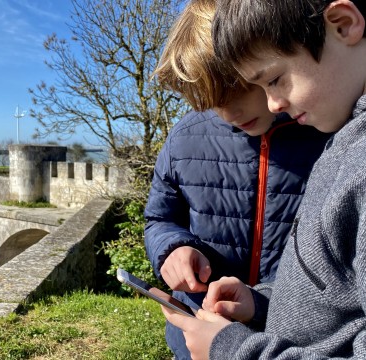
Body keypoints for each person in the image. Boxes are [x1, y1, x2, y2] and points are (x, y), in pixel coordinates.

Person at [161, 0, 366, 358]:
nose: (273, 104)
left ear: (343, 24)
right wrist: (261, 300)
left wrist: (234, 351)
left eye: (275, 79)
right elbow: (342, 293)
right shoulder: (357, 139)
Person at [144, 0, 330, 358]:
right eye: (211, 99)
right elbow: (160, 217)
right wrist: (173, 249)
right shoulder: (185, 135)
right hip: (195, 334)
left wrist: (262, 301)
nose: (228, 112)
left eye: (237, 88)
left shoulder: (324, 129)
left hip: (293, 340)